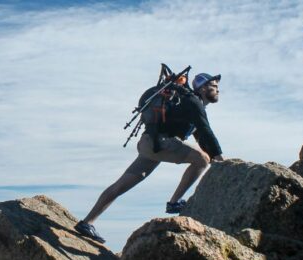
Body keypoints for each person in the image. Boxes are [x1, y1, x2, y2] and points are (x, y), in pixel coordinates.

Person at [74, 72, 225, 243]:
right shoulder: (193, 102)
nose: (218, 90)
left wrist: (216, 158)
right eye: (214, 86)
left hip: (149, 144)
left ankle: (87, 222)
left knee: (120, 185)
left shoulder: (191, 104)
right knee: (201, 159)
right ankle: (174, 202)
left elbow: (202, 137)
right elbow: (206, 132)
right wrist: (221, 161)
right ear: (203, 88)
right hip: (159, 143)